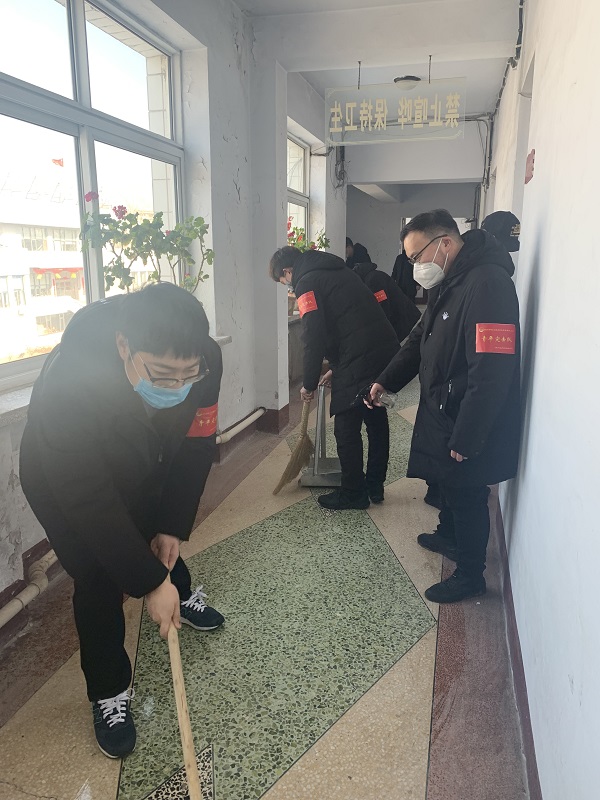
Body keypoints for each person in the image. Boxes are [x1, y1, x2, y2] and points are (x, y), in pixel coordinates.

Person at [19, 283, 224, 758]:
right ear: (123, 346)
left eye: (187, 375)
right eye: (163, 375)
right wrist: (148, 584)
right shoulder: (70, 381)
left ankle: (178, 591)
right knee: (98, 572)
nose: (177, 386)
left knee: (158, 533)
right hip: (65, 481)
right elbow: (89, 499)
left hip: (145, 456)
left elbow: (196, 446)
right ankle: (109, 689)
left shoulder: (206, 359)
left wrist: (172, 524)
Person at [368, 209, 520, 603]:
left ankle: (470, 576)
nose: (416, 266)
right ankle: (448, 534)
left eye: (417, 256)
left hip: (466, 413)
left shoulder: (488, 284)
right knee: (447, 481)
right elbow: (419, 338)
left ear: (446, 243)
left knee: (467, 491)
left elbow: (491, 370)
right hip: (444, 405)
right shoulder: (451, 279)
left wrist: (469, 435)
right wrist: (387, 378)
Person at [269, 246, 399, 509]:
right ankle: (375, 485)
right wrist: (336, 369)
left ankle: (353, 493)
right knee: (374, 417)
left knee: (346, 426)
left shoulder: (306, 283)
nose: (287, 286)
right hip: (379, 349)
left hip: (359, 355)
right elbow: (347, 322)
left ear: (287, 271)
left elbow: (313, 337)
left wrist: (308, 384)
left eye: (283, 281)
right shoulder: (336, 269)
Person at [353, 258, 421, 343]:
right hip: (404, 320)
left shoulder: (373, 280)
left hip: (407, 322)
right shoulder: (372, 276)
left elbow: (382, 308)